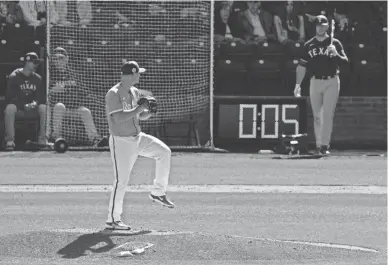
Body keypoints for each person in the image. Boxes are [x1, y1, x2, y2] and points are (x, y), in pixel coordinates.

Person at [105, 61, 174, 230]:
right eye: (138, 73)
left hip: (138, 138)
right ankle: (113, 219)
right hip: (121, 141)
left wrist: (148, 112)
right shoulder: (113, 93)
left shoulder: (134, 91)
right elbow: (118, 118)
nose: (140, 76)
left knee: (164, 152)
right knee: (121, 180)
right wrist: (139, 109)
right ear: (131, 74)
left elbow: (138, 116)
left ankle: (158, 193)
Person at [293, 15, 348, 155]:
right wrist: (298, 84)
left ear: (327, 27)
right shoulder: (309, 45)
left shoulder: (335, 43)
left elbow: (346, 63)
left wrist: (335, 54)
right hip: (315, 81)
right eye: (318, 25)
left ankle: (324, 145)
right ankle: (318, 145)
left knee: (328, 114)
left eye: (323, 25)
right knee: (317, 115)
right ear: (315, 27)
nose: (320, 27)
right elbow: (301, 66)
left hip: (331, 80)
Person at [49, 47, 108, 147]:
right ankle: (57, 138)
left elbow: (84, 91)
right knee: (59, 106)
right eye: (55, 58)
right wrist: (52, 90)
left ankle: (95, 139)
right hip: (56, 109)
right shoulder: (50, 74)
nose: (58, 61)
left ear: (67, 59)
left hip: (73, 108)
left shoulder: (73, 74)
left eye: (61, 58)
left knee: (85, 111)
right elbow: (45, 93)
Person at [4, 52, 47, 151]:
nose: (36, 65)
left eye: (37, 63)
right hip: (19, 109)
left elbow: (40, 98)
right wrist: (23, 105)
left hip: (32, 109)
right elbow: (9, 97)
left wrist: (34, 104)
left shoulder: (37, 78)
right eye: (34, 62)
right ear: (26, 62)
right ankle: (10, 141)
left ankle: (42, 140)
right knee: (10, 108)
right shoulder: (14, 76)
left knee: (43, 108)